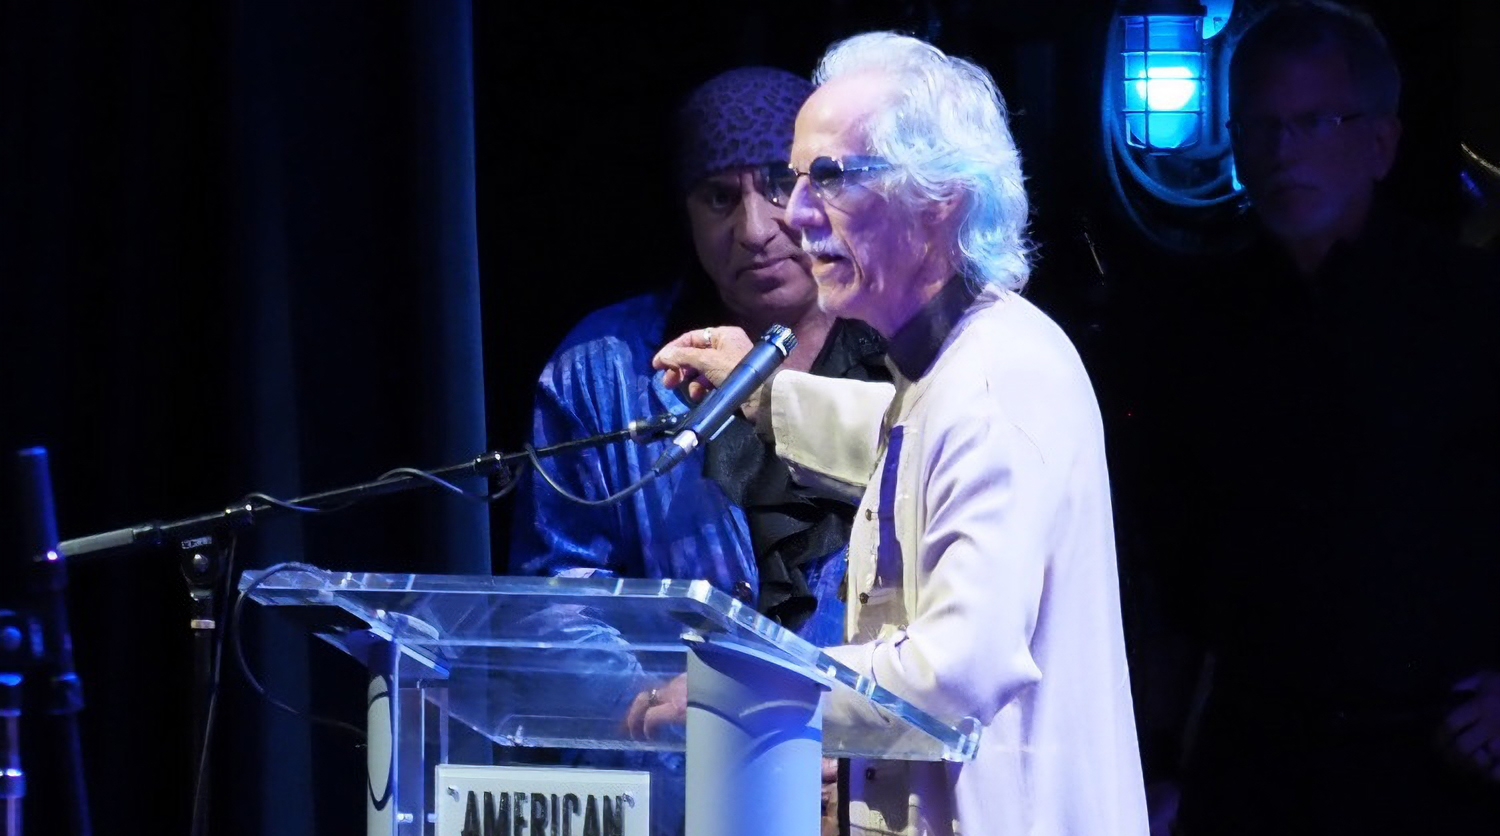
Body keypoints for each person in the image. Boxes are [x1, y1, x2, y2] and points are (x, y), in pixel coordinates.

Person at [650, 31, 1149, 836]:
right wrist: (764, 393)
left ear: (938, 199)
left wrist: (743, 690)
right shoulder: (954, 364)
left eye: (828, 179)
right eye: (796, 179)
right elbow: (907, 451)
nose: (796, 216)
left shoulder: (996, 382)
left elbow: (957, 668)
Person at [1136, 2, 1500, 833]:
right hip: (1256, 752)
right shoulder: (1199, 324)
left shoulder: (1472, 309)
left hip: (1439, 756)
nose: (1283, 150)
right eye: (1260, 126)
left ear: (1381, 141)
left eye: (1313, 121)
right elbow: (1176, 566)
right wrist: (1158, 754)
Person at [506, 65, 889, 836]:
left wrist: (850, 722)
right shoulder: (604, 370)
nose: (754, 228)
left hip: (868, 793)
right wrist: (657, 707)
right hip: (681, 800)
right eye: (719, 197)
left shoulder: (901, 354)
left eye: (778, 184)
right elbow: (558, 598)